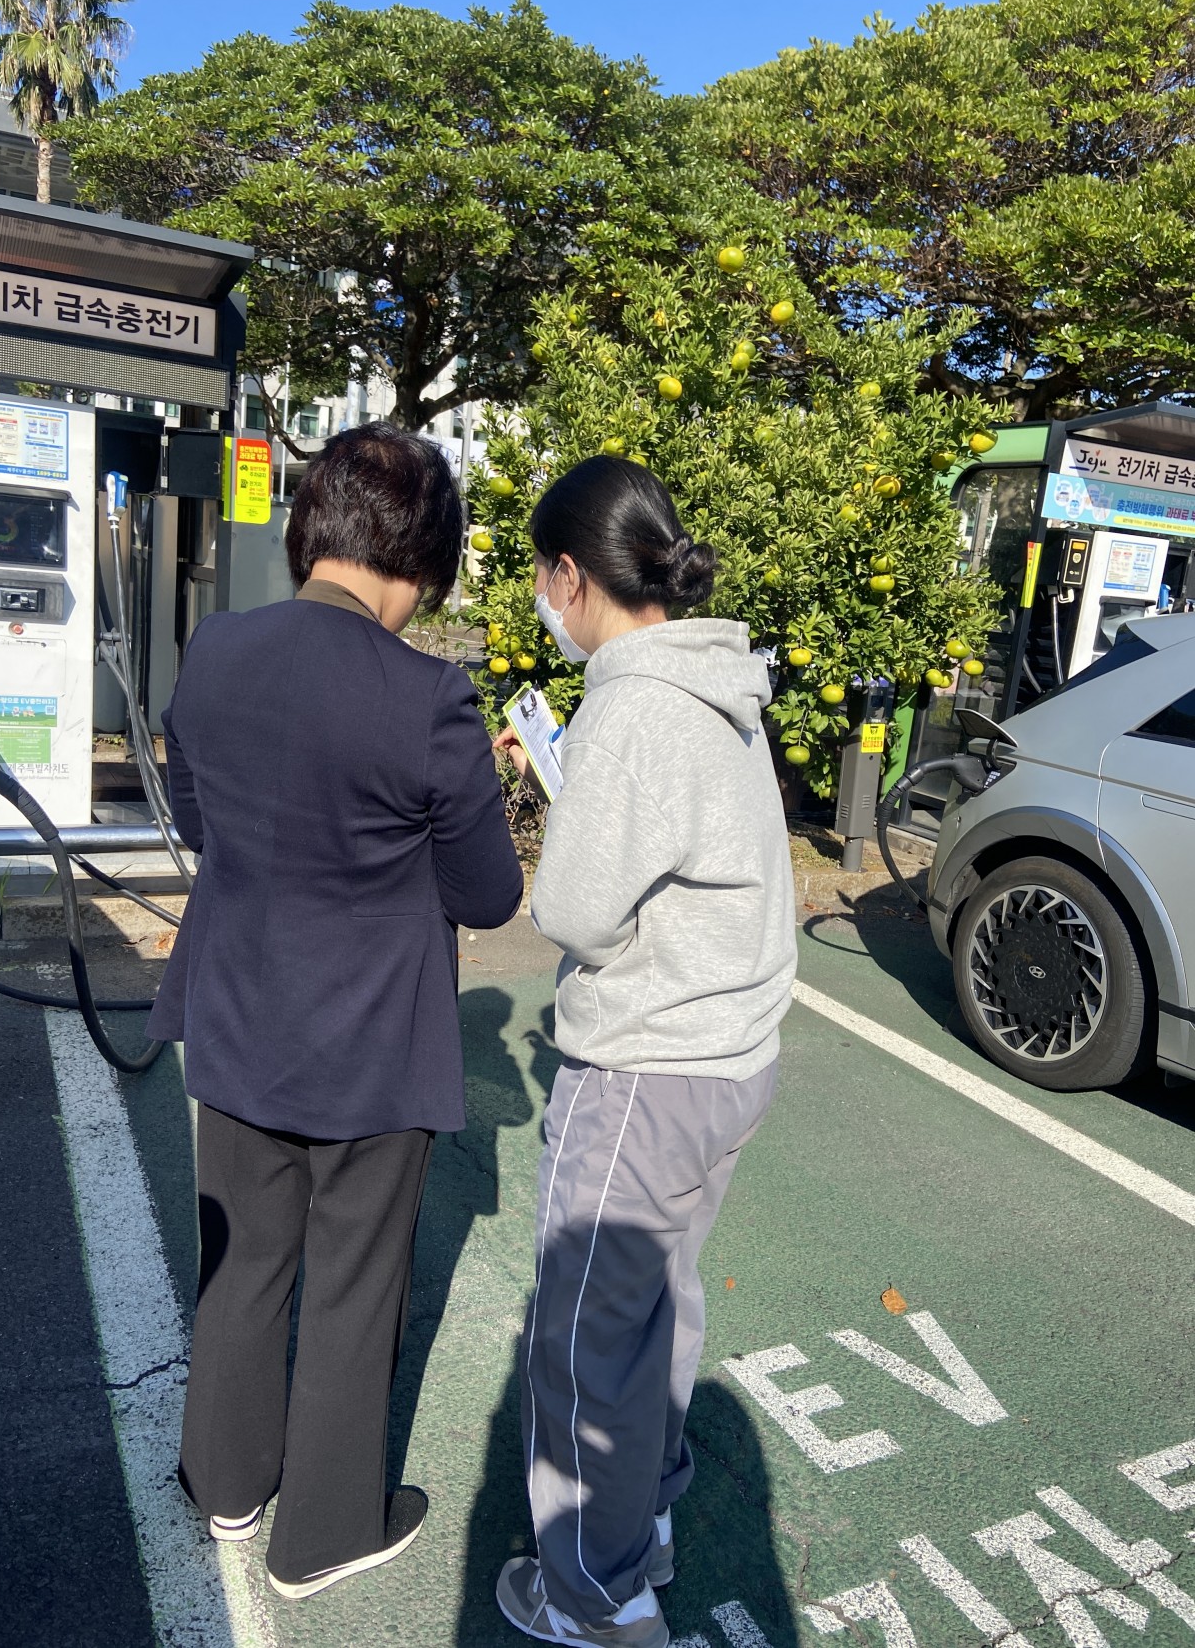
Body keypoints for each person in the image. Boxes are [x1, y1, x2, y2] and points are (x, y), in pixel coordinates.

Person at [148, 423, 523, 1599]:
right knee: (354, 1286)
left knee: (243, 1262)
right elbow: (486, 891)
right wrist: (488, 783)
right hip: (370, 1043)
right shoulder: (431, 699)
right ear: (421, 560)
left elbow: (204, 823)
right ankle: (323, 1532)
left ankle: (222, 1485)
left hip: (239, 1011)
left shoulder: (216, 650)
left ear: (313, 530)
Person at [493, 456, 796, 1648]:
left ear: (572, 575)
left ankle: (592, 1591)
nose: (539, 598)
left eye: (538, 577)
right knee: (657, 1312)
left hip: (644, 1068)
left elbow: (571, 911)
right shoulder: (718, 680)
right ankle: (643, 1530)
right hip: (730, 1054)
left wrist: (558, 801)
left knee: (581, 1343)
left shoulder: (627, 702)